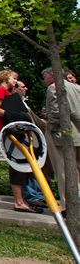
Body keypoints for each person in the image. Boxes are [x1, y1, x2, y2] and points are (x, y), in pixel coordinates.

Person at [0, 70, 42, 213]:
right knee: (16, 164)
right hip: (8, 133)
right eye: (14, 78)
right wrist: (18, 115)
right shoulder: (0, 90)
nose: (15, 81)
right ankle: (19, 202)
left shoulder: (7, 92)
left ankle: (25, 199)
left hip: (14, 133)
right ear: (6, 78)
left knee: (21, 164)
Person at [43, 67, 80, 216]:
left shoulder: (54, 88)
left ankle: (68, 205)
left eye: (45, 76)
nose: (44, 80)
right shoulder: (76, 87)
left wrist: (50, 127)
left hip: (62, 135)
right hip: (77, 133)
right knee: (76, 169)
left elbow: (57, 111)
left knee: (63, 170)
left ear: (53, 75)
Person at [12, 81, 47, 208]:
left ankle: (38, 195)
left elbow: (35, 120)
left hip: (33, 139)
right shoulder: (14, 102)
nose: (26, 88)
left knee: (34, 166)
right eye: (22, 87)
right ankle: (32, 196)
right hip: (23, 139)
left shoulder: (24, 104)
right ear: (15, 89)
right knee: (26, 167)